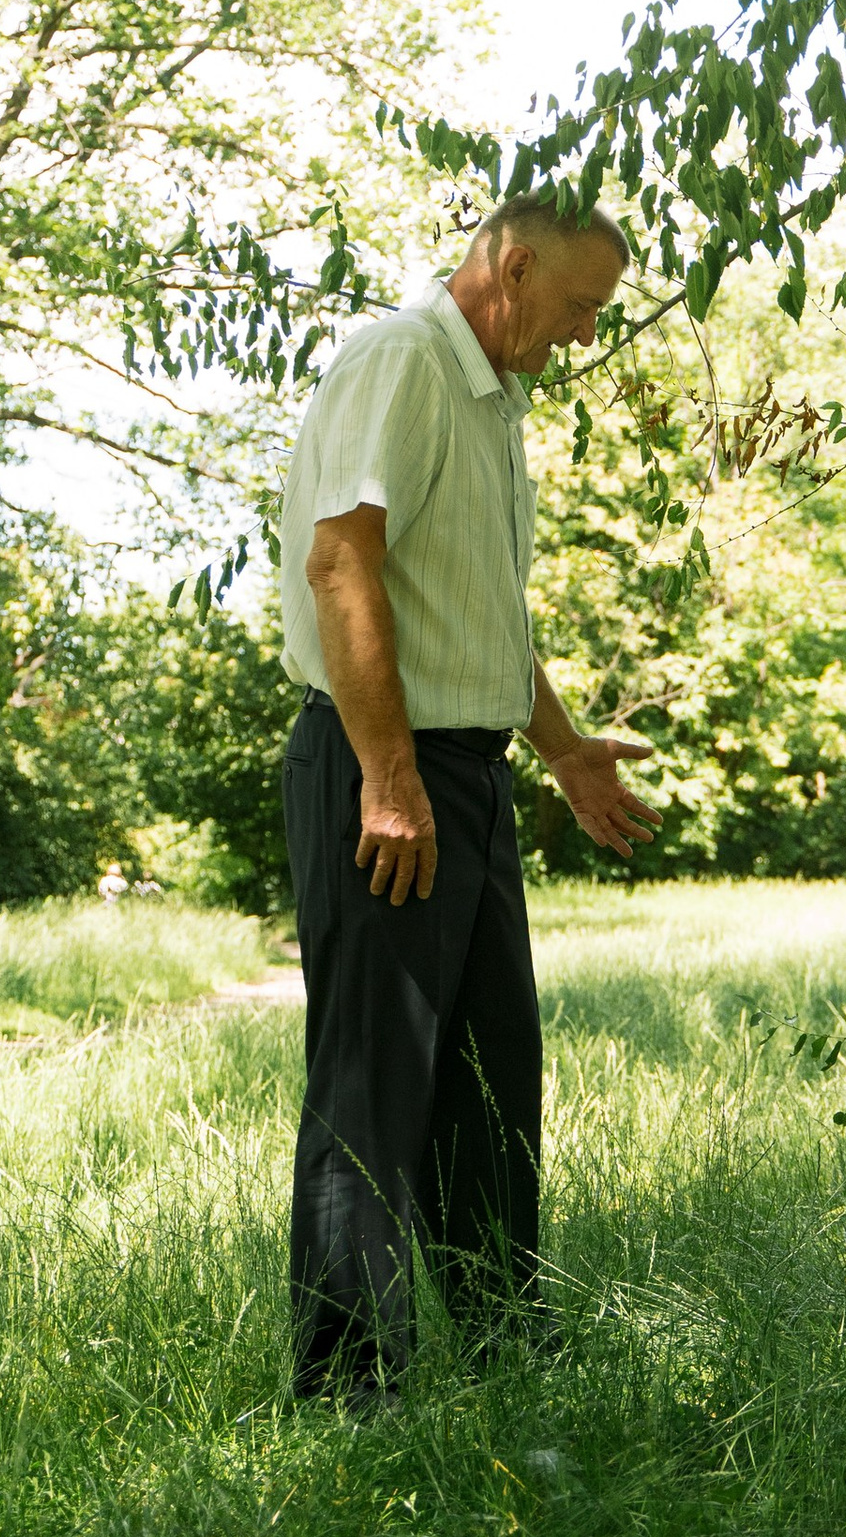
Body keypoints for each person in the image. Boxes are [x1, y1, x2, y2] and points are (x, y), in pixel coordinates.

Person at [278, 194, 660, 1409]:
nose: (586, 335)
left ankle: (504, 1354)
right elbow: (342, 562)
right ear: (513, 263)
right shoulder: (401, 360)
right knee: (376, 1085)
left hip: (468, 776)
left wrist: (559, 751)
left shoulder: (495, 405)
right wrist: (388, 780)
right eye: (582, 307)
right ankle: (349, 1390)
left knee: (492, 1081)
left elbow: (476, 612)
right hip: (382, 767)